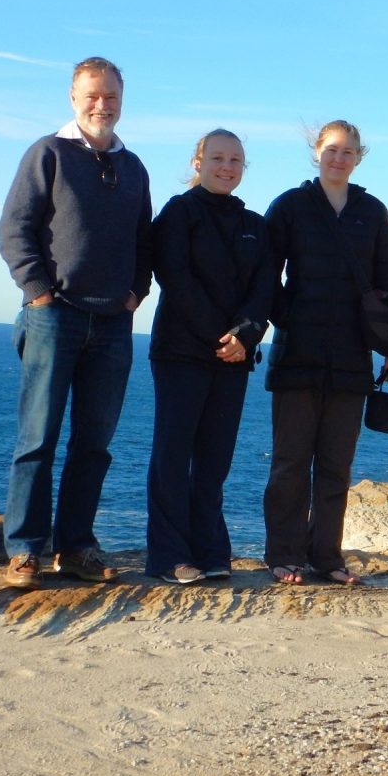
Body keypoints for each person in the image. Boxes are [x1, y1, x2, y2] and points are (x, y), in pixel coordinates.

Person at [0, 57, 152, 589]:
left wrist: (136, 293)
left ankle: (76, 547)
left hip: (112, 324)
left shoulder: (134, 167)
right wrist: (38, 292)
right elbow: (14, 228)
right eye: (92, 95)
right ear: (72, 97)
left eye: (111, 95)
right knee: (37, 438)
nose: (101, 104)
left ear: (122, 100)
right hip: (53, 317)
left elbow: (144, 241)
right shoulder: (48, 153)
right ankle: (24, 550)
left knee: (94, 444)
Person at [262, 121, 388, 586]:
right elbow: (265, 278)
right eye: (331, 150)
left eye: (348, 152)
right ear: (316, 152)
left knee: (336, 466)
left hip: (351, 356)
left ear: (360, 156)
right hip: (296, 353)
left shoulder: (373, 212)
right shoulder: (290, 206)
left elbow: (387, 284)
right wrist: (293, 318)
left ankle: (326, 557)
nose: (339, 159)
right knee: (289, 463)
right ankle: (283, 556)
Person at [145, 130, 274, 586]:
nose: (226, 167)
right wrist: (223, 336)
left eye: (235, 160)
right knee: (173, 457)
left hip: (234, 359)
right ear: (198, 161)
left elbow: (266, 290)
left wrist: (245, 337)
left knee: (214, 461)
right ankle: (169, 557)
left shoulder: (256, 225)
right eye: (217, 158)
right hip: (181, 354)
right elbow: (175, 279)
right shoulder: (178, 213)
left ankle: (211, 551)